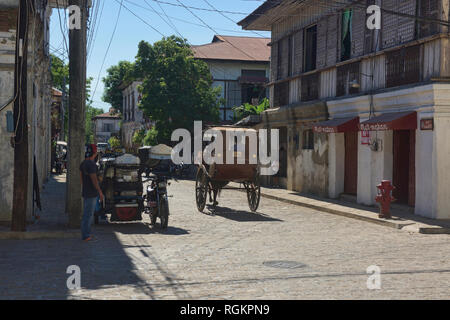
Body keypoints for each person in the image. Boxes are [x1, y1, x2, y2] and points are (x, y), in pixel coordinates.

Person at [79, 144, 104, 241]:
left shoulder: (83, 163)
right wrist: (100, 191)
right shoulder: (92, 165)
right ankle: (86, 235)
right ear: (94, 153)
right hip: (91, 193)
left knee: (87, 214)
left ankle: (86, 233)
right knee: (88, 215)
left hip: (86, 191)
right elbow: (94, 180)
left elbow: (81, 179)